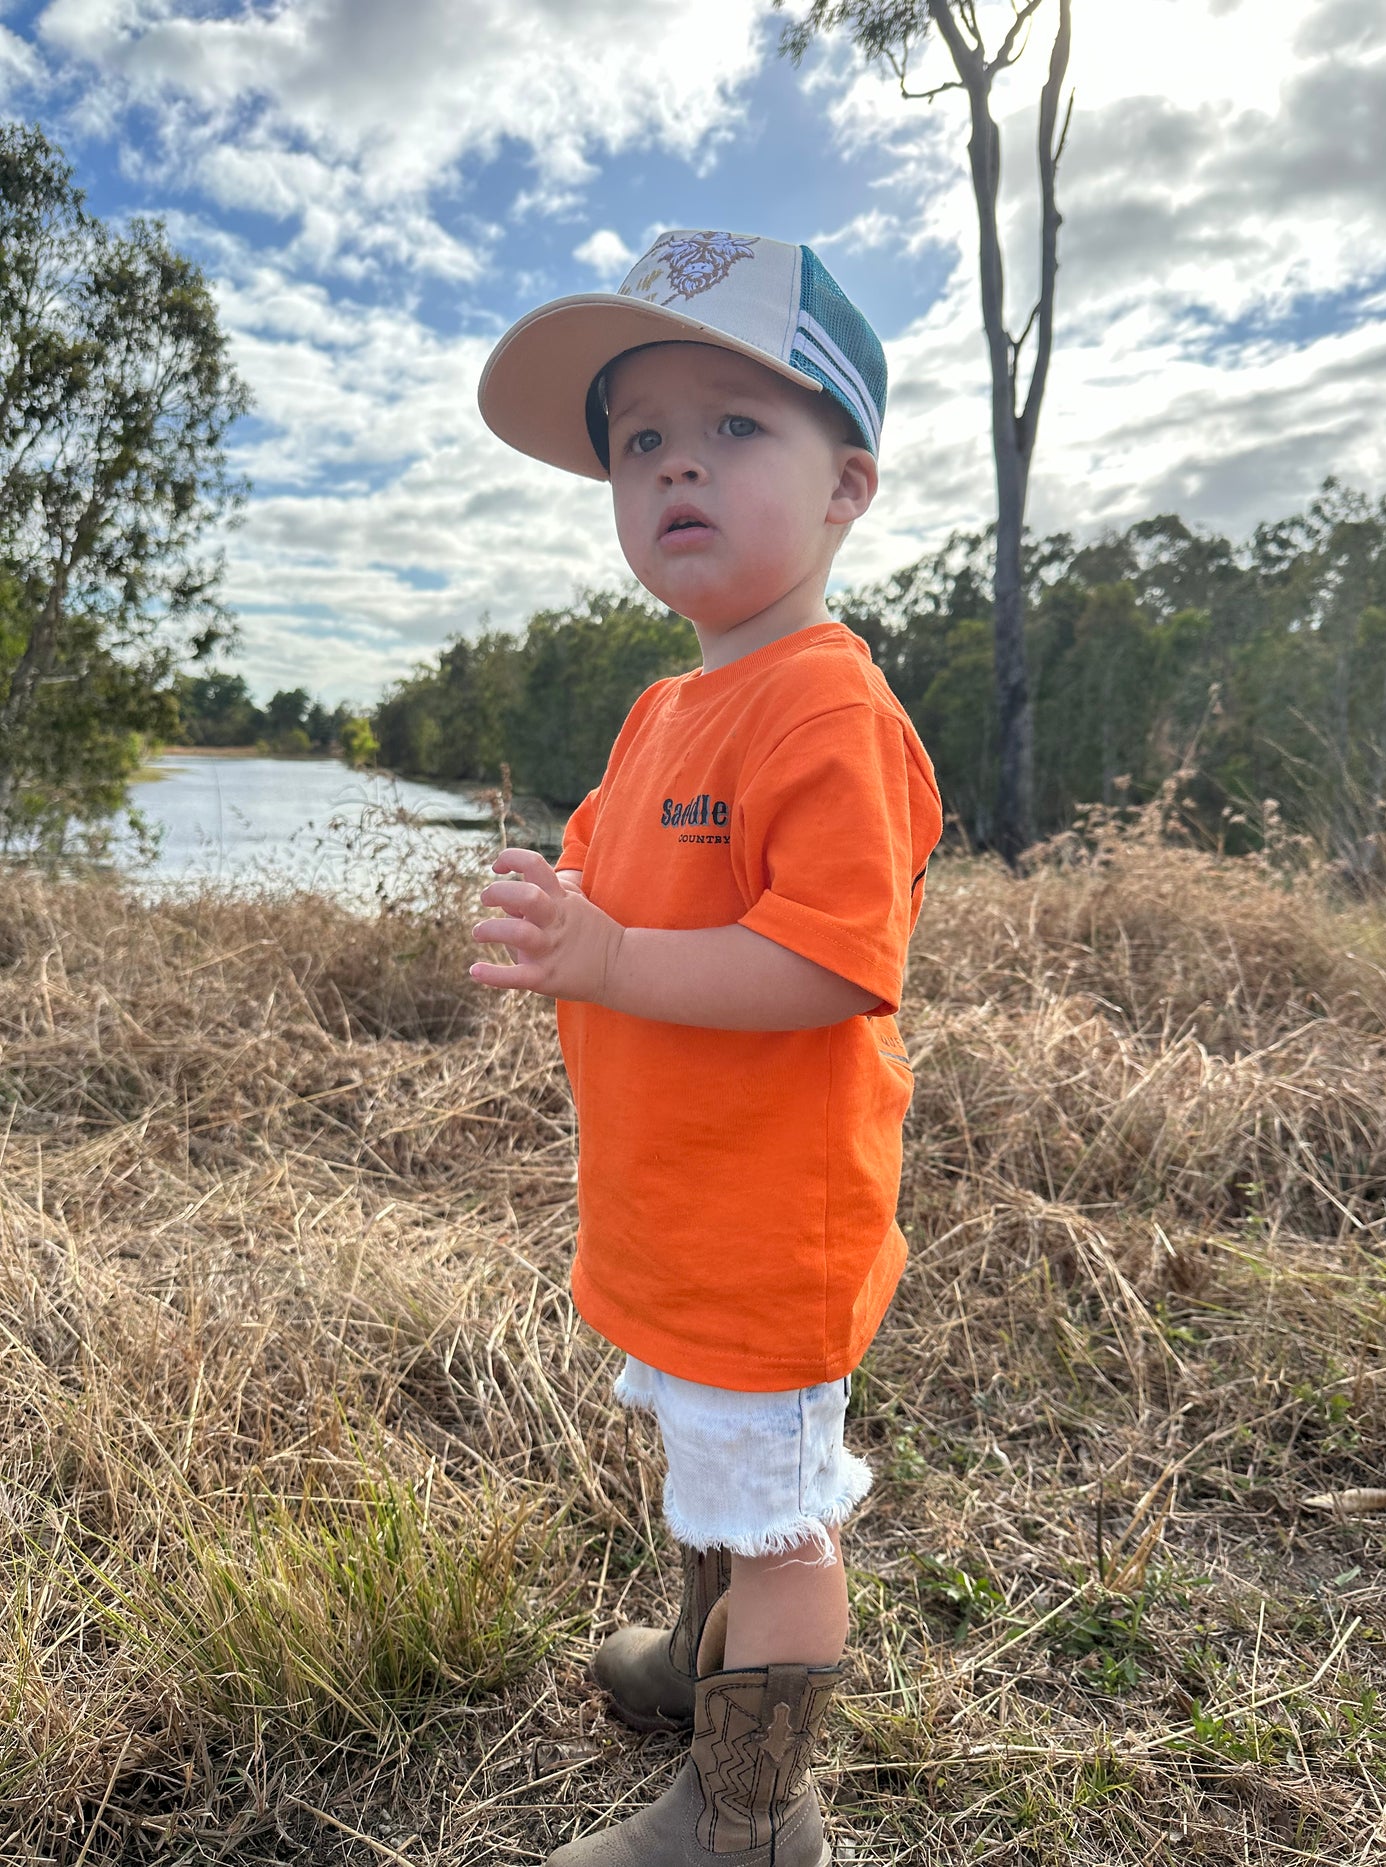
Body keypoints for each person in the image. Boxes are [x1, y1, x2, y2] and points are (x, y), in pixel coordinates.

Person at [474, 229, 942, 1867]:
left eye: (738, 425)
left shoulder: (832, 712)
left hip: (769, 1219)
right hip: (673, 1199)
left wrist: (606, 950)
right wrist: (562, 916)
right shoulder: (666, 707)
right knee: (707, 1453)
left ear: (846, 485)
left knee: (783, 1513)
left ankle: (752, 1817)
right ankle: (701, 1657)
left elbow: (826, 962)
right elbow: (619, 874)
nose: (677, 460)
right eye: (637, 439)